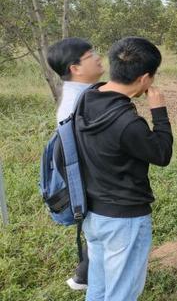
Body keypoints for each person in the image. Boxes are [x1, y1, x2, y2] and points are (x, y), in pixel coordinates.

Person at [74, 37, 173, 301]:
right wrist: (159, 112)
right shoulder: (127, 124)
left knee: (99, 288)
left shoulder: (88, 98)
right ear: (144, 78)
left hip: (93, 214)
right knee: (121, 295)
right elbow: (162, 154)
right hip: (123, 220)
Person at [46, 37, 104, 291]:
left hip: (91, 195)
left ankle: (87, 275)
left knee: (98, 251)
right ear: (75, 68)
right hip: (98, 196)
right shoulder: (80, 105)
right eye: (91, 54)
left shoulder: (78, 97)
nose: (98, 57)